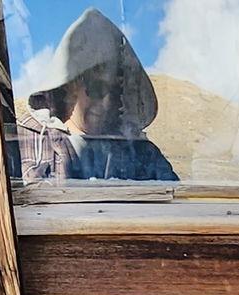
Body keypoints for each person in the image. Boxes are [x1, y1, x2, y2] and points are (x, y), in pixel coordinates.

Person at [14, 8, 178, 184]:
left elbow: (175, 198)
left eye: (116, 92)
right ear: (71, 85)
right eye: (97, 87)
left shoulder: (141, 153)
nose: (106, 103)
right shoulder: (24, 142)